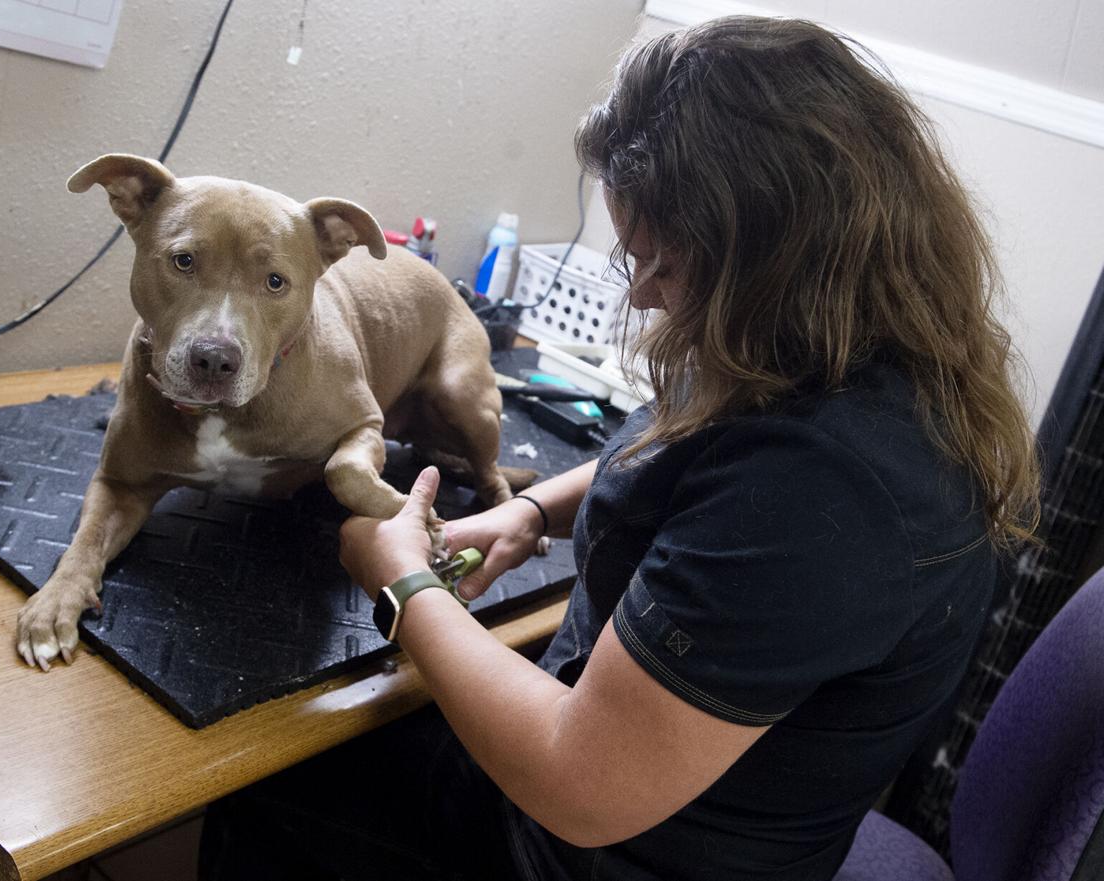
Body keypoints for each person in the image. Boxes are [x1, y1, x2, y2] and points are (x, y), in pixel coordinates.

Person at [198, 16, 1039, 881]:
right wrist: (528, 513)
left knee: (272, 773)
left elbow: (578, 782)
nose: (641, 291)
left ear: (777, 259)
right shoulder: (830, 354)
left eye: (664, 265)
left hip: (589, 848)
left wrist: (405, 584)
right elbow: (677, 451)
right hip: (647, 786)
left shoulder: (826, 493)